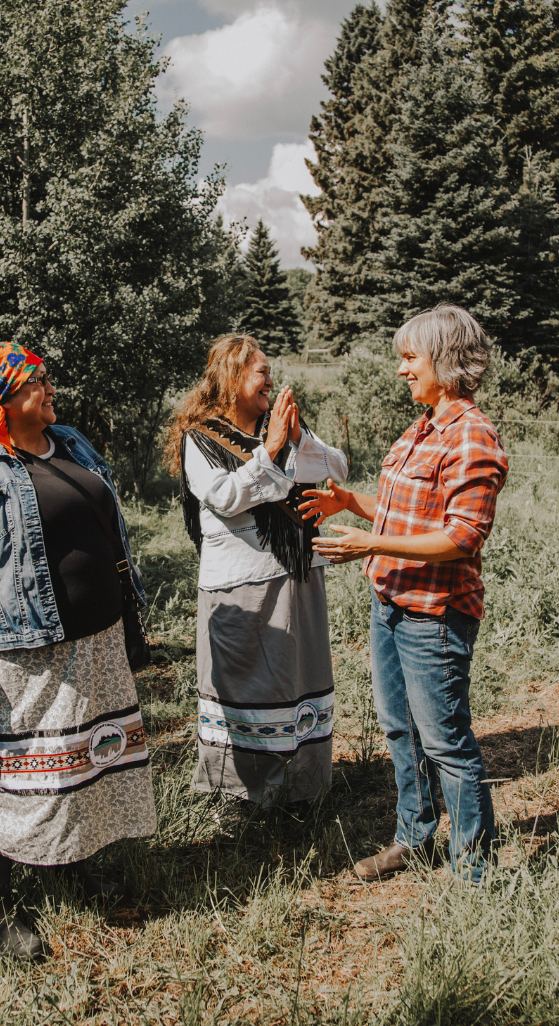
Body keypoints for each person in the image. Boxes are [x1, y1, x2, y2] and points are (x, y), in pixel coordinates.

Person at [0, 342, 156, 958]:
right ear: (2, 396)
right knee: (14, 773)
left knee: (88, 758)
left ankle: (76, 860)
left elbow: (108, 529)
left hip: (99, 637)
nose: (50, 389)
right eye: (36, 382)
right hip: (24, 648)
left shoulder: (73, 443)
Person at [301, 305, 507, 882]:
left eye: (410, 358)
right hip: (391, 601)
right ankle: (413, 837)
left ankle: (475, 869)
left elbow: (462, 537)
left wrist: (371, 543)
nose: (402, 370)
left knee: (445, 741)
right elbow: (406, 515)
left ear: (445, 360)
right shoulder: (421, 427)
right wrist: (353, 504)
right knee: (399, 727)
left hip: (434, 615)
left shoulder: (471, 437)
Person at [165, 335, 350, 811]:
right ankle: (243, 796)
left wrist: (297, 440)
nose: (271, 379)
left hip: (298, 571)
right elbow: (225, 497)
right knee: (250, 680)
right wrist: (268, 453)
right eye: (260, 371)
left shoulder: (281, 425)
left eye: (270, 370)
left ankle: (303, 788)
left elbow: (338, 469)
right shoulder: (201, 438)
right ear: (230, 378)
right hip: (240, 579)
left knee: (299, 676)